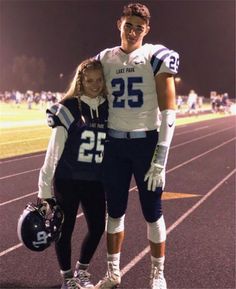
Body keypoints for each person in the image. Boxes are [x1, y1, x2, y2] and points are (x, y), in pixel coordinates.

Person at [94, 3, 179, 289]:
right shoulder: (105, 58)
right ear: (119, 23)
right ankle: (113, 272)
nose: (132, 31)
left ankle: (158, 273)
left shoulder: (155, 55)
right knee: (114, 211)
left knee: (152, 212)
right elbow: (84, 87)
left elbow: (169, 110)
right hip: (115, 145)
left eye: (139, 27)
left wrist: (161, 157)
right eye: (128, 25)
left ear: (147, 30)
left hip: (146, 143)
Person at [37, 58, 108, 289]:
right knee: (64, 230)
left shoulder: (109, 107)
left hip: (95, 180)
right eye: (89, 80)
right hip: (68, 179)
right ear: (80, 81)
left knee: (98, 227)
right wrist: (44, 189)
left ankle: (82, 271)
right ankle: (67, 278)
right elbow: (53, 151)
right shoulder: (68, 108)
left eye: (99, 80)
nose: (95, 84)